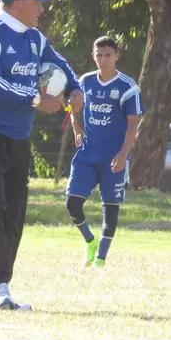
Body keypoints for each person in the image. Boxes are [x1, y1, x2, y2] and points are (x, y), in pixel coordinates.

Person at [0, 0, 84, 310]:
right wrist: (34, 99)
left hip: (18, 137)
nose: (42, 8)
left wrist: (75, 90)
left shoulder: (35, 39)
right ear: (17, 3)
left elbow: (62, 68)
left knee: (13, 213)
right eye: (37, 1)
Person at [65, 36, 144, 268]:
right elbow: (73, 107)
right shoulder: (85, 81)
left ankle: (100, 259)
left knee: (110, 207)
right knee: (72, 203)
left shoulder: (128, 87)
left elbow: (133, 126)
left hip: (114, 156)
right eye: (98, 55)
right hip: (87, 154)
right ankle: (89, 241)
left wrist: (123, 154)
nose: (103, 60)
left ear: (117, 55)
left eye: (108, 55)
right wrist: (77, 128)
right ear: (93, 56)